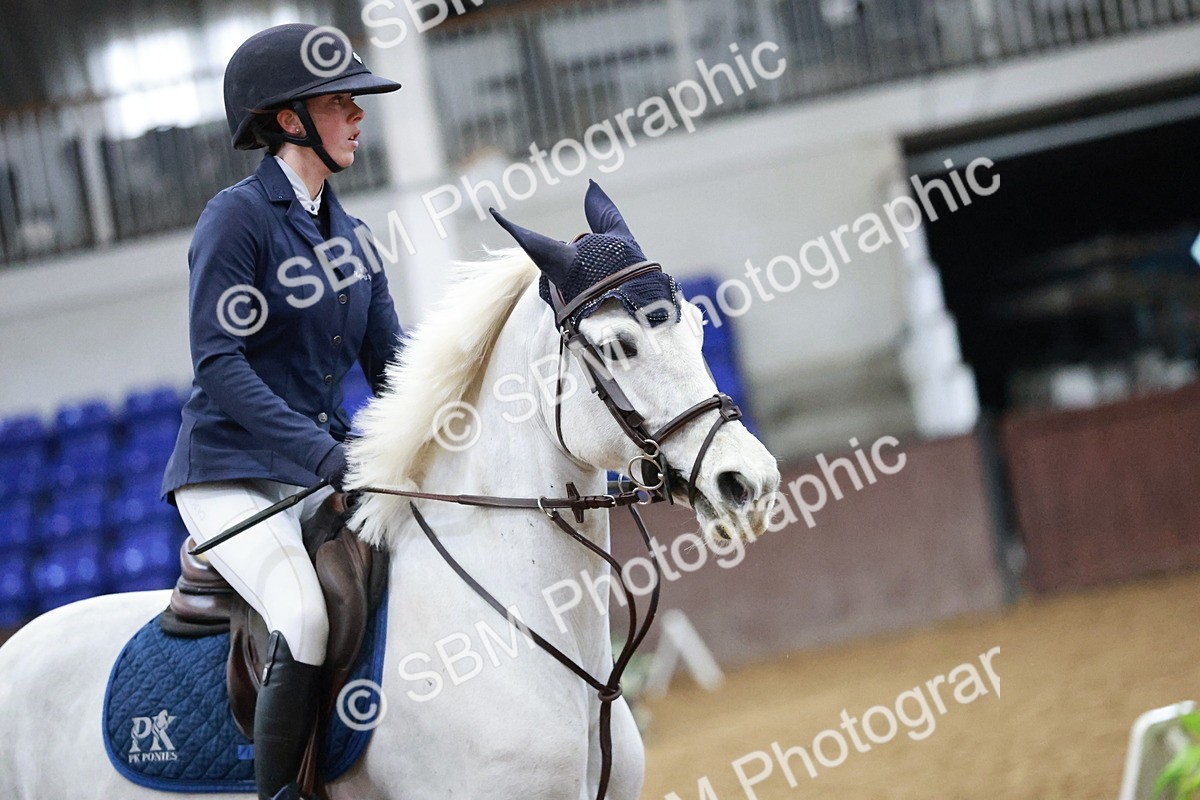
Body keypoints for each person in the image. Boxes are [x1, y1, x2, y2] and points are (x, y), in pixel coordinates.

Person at [161, 23, 404, 800]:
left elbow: (393, 368)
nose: (359, 117)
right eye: (342, 104)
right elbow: (218, 364)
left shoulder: (355, 238)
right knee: (301, 615)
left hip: (307, 473)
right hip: (229, 471)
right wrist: (324, 453)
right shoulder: (236, 218)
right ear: (290, 120)